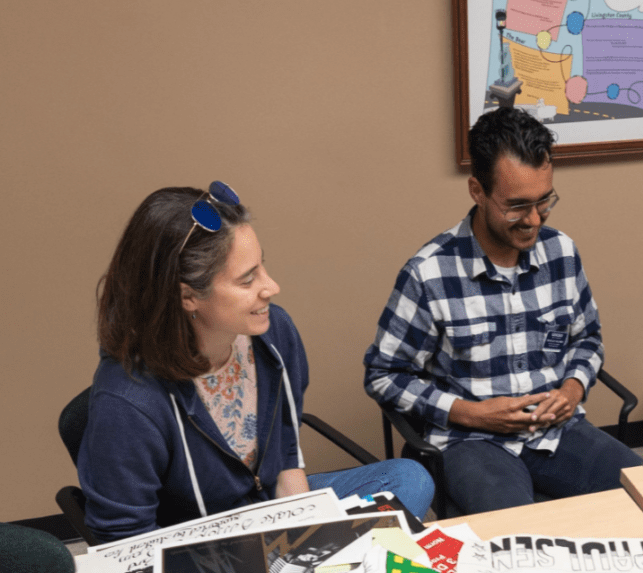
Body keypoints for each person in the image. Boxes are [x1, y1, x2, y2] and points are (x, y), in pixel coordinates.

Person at [79, 183, 434, 543]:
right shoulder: (126, 400)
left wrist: (303, 528)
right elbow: (124, 540)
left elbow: (286, 452)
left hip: (266, 509)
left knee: (409, 479)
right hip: (197, 545)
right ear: (187, 296)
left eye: (262, 266)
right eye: (247, 279)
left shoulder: (275, 332)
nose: (271, 287)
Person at [363, 107, 642, 515]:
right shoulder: (429, 273)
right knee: (516, 534)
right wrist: (470, 413)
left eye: (544, 201)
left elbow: (587, 338)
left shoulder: (561, 252)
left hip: (556, 431)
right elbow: (384, 375)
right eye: (517, 206)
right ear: (477, 191)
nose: (533, 220)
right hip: (470, 442)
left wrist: (572, 389)